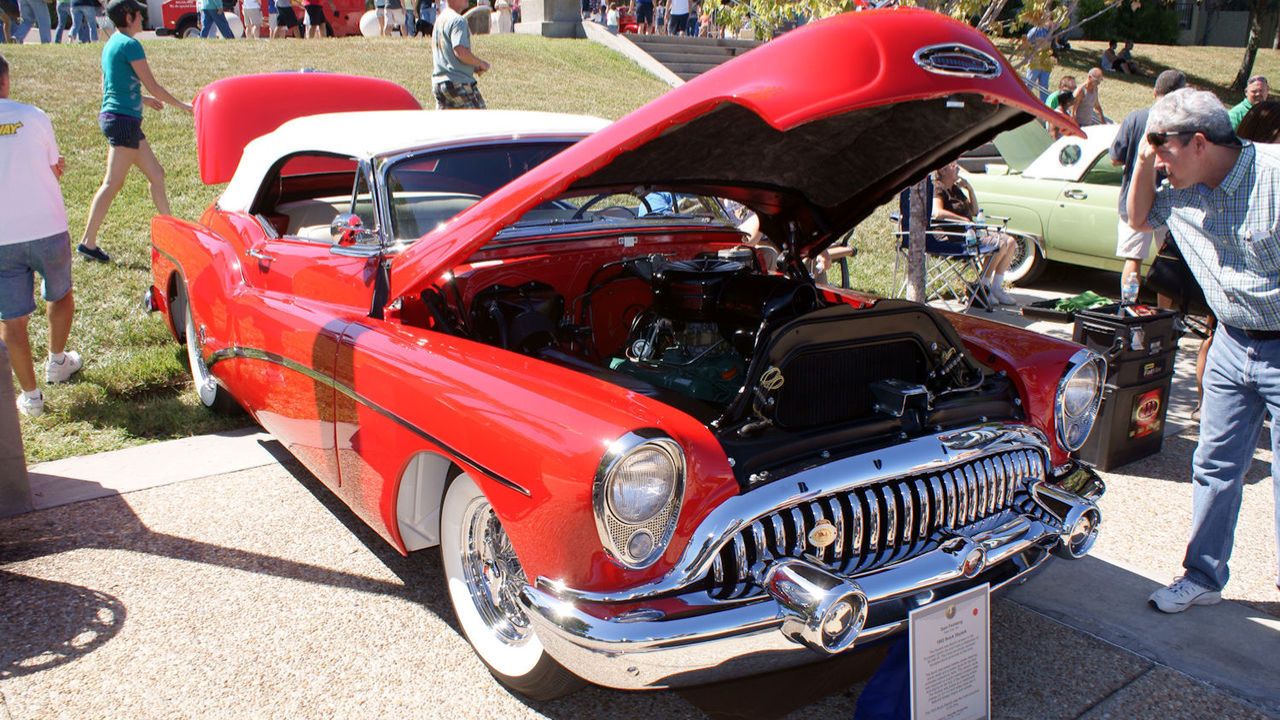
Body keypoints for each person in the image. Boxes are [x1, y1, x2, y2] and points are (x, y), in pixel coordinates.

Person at [1126, 87, 1280, 614]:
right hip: (1231, 345)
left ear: (1198, 142)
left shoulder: (1275, 177)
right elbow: (1139, 218)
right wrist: (1146, 157)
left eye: (1162, 149)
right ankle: (1203, 576)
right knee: (1214, 463)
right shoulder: (1181, 185)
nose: (1158, 162)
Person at [0, 55, 82, 418]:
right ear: (5, 80)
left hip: (2, 237)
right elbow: (54, 166)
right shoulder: (33, 115)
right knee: (60, 293)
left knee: (12, 320)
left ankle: (31, 397)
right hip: (48, 225)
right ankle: (57, 360)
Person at [79, 0, 192, 264]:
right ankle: (87, 242)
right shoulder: (130, 45)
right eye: (139, 13)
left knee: (157, 174)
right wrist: (184, 106)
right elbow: (154, 85)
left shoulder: (112, 44)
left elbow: (113, 87)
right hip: (123, 122)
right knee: (112, 183)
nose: (142, 17)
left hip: (119, 119)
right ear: (129, 16)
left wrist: (142, 99)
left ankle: (171, 230)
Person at [1110, 69, 1186, 297]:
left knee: (1133, 259)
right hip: (1169, 203)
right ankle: (1167, 318)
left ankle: (1128, 309)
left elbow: (1115, 158)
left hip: (1134, 201)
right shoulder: (1183, 125)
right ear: (1180, 95)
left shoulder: (1136, 118)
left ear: (1155, 92)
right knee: (1168, 262)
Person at [933, 161, 1019, 305]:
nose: (958, 168)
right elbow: (937, 213)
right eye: (953, 165)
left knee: (1010, 241)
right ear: (942, 170)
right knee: (999, 244)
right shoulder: (938, 188)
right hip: (951, 238)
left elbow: (974, 211)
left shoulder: (955, 189)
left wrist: (970, 189)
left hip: (968, 234)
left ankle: (996, 288)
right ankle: (982, 288)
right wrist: (963, 220)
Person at [432, 0, 489, 109]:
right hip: (459, 83)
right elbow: (460, 51)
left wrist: (473, 67)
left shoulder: (439, 20)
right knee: (481, 122)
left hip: (439, 84)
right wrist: (480, 63)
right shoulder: (458, 21)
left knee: (448, 125)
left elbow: (447, 56)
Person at [1023, 18, 1053, 102]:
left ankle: (1044, 107)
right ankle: (1023, 102)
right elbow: (1026, 44)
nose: (1053, 22)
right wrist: (1027, 57)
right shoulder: (1035, 31)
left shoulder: (1051, 32)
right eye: (1052, 20)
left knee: (1044, 88)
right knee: (1029, 85)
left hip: (1046, 63)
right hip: (1035, 63)